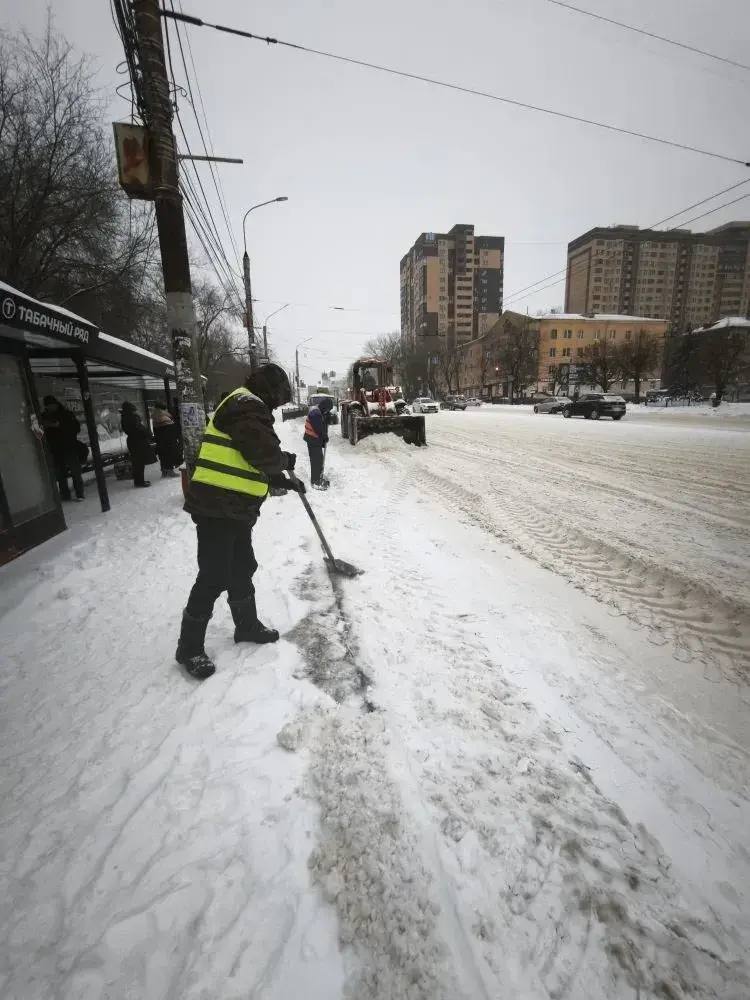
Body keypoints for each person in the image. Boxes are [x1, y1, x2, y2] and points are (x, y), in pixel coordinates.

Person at [175, 363, 305, 680]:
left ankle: (246, 626)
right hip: (217, 506)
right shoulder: (246, 406)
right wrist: (283, 462)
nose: (278, 404)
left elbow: (248, 455)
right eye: (279, 397)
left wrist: (283, 480)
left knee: (242, 567)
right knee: (214, 575)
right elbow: (263, 454)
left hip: (233, 508)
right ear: (269, 390)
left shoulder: (245, 406)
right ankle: (188, 648)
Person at [40, 395, 85, 502]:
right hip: (55, 449)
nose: (50, 408)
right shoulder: (43, 416)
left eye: (52, 405)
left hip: (69, 447)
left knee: (75, 471)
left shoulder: (66, 414)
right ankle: (65, 494)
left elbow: (76, 428)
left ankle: (79, 493)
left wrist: (59, 425)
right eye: (48, 406)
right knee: (60, 474)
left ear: (56, 404)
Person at [303, 395, 334, 490]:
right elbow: (319, 429)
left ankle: (318, 476)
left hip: (314, 440)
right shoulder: (315, 413)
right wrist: (324, 436)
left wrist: (326, 418)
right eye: (327, 409)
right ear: (324, 406)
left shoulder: (319, 412)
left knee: (319, 459)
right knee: (316, 461)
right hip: (312, 440)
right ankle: (315, 481)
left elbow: (321, 425)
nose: (327, 411)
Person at [120, 401, 153, 488]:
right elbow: (139, 429)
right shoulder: (132, 418)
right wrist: (148, 434)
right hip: (138, 442)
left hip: (132, 441)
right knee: (139, 463)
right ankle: (140, 481)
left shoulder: (124, 417)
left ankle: (138, 481)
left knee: (136, 462)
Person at [151, 401, 181, 477]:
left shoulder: (155, 416)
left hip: (160, 440)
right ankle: (170, 471)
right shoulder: (164, 417)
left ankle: (164, 471)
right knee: (169, 454)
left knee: (163, 455)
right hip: (168, 440)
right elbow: (170, 429)